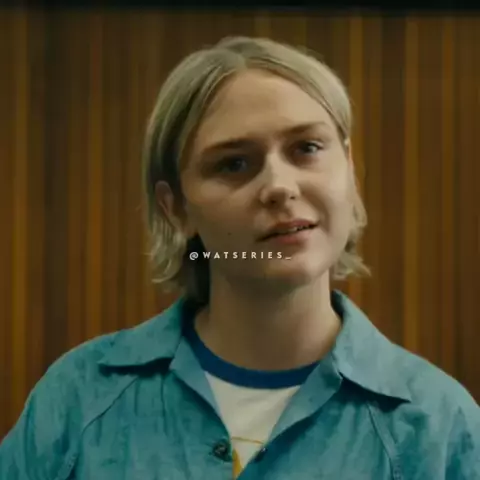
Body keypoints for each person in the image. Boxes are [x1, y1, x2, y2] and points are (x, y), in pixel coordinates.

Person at [0, 36, 479, 480]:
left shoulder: (438, 425)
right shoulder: (77, 400)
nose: (280, 186)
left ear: (349, 168)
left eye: (307, 148)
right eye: (233, 163)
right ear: (176, 208)